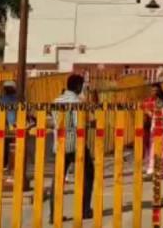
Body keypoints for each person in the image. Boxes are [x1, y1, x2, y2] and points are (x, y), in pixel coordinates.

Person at [50, 74, 94, 222]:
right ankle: (84, 210)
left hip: (59, 144)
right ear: (78, 86)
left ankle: (54, 214)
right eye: (82, 86)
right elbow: (78, 124)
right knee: (88, 174)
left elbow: (55, 122)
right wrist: (90, 124)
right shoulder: (77, 102)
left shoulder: (56, 100)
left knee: (58, 178)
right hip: (75, 144)